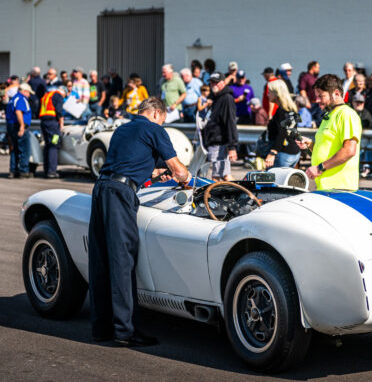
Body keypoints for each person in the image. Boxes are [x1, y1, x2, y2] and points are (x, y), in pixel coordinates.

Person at [88, 97, 190, 347]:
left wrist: (155, 173)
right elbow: (178, 170)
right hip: (120, 194)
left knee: (101, 259)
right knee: (123, 260)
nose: (162, 124)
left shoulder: (123, 129)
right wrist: (184, 177)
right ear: (156, 113)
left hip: (101, 189)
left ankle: (101, 328)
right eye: (163, 120)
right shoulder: (154, 129)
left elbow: (131, 163)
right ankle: (125, 330)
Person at [296, 74, 362, 190]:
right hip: (325, 186)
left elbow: (349, 151)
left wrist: (319, 168)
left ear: (336, 93)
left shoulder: (346, 114)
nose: (317, 100)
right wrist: (311, 145)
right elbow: (329, 148)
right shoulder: (329, 115)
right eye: (316, 97)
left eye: (321, 96)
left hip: (339, 187)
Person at [203, 72, 238, 181]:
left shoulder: (226, 98)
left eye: (216, 82)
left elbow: (230, 122)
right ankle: (237, 193)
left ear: (223, 83)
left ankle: (239, 193)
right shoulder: (216, 97)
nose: (213, 85)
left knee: (216, 177)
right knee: (223, 175)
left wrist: (232, 146)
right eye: (211, 82)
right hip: (214, 141)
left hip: (219, 142)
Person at [264, 79, 301, 169]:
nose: (268, 94)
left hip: (283, 154)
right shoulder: (292, 108)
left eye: (270, 92)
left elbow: (282, 133)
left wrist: (273, 152)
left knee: (273, 182)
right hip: (294, 153)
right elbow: (294, 131)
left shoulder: (281, 111)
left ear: (277, 93)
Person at [5, 83, 33, 178]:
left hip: (11, 125)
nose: (29, 95)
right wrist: (22, 126)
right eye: (29, 93)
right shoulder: (21, 99)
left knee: (15, 149)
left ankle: (13, 170)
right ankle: (23, 171)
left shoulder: (12, 99)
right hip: (18, 125)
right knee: (25, 149)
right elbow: (18, 112)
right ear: (24, 91)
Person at [39, 87, 66, 178]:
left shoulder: (46, 95)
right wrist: (61, 122)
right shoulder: (58, 95)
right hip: (52, 123)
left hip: (44, 122)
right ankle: (52, 171)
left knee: (47, 145)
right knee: (54, 144)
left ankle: (47, 170)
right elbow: (59, 110)